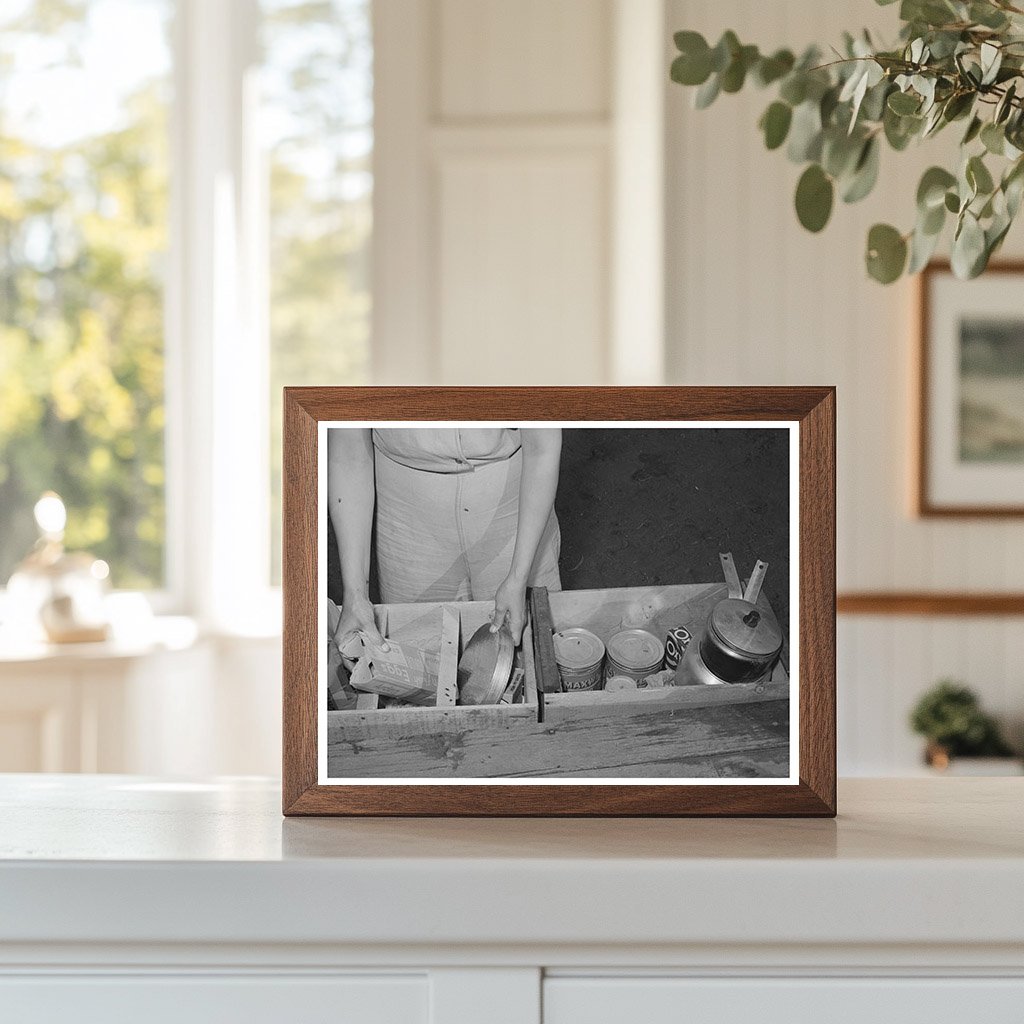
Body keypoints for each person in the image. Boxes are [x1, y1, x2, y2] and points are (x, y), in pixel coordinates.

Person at [328, 426, 561, 650]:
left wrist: (518, 576)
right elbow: (348, 448)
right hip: (406, 511)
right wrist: (355, 594)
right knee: (415, 650)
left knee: (531, 644)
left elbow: (543, 442)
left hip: (515, 497)